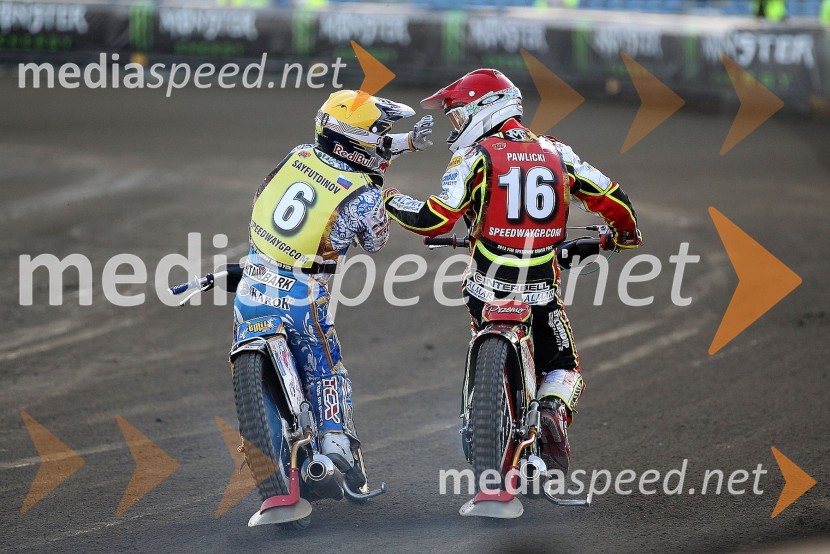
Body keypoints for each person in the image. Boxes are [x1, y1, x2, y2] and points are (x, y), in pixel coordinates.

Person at [383, 69, 642, 473]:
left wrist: (389, 199)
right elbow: (614, 199)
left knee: (480, 314)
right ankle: (552, 408)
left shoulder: (474, 156)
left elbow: (434, 219)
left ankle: (484, 411)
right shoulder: (559, 152)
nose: (456, 125)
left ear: (486, 109)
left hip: (485, 288)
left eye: (458, 115)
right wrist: (622, 237)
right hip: (541, 289)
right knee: (563, 366)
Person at [235, 89, 433, 489]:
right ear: (358, 141)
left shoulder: (298, 154)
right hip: (303, 296)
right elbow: (376, 242)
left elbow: (265, 192)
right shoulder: (365, 194)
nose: (384, 142)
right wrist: (385, 194)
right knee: (326, 368)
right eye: (379, 134)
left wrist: (407, 143)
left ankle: (260, 452)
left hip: (253, 283)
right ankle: (337, 443)